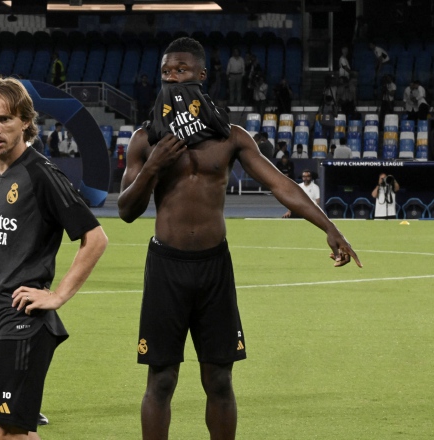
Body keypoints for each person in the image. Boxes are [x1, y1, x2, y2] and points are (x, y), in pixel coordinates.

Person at [117, 37, 361, 440]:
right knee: (160, 381)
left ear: (201, 74)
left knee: (219, 381)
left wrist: (330, 227)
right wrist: (153, 167)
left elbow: (281, 185)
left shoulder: (231, 137)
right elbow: (126, 211)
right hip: (166, 268)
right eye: (165, 71)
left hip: (214, 268)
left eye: (180, 69)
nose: (172, 77)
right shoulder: (146, 138)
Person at [0, 77, 108, 440]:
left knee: (5, 432)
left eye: (5, 119)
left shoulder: (41, 173)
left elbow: (95, 239)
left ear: (26, 123)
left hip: (22, 322)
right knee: (13, 432)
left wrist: (57, 295)